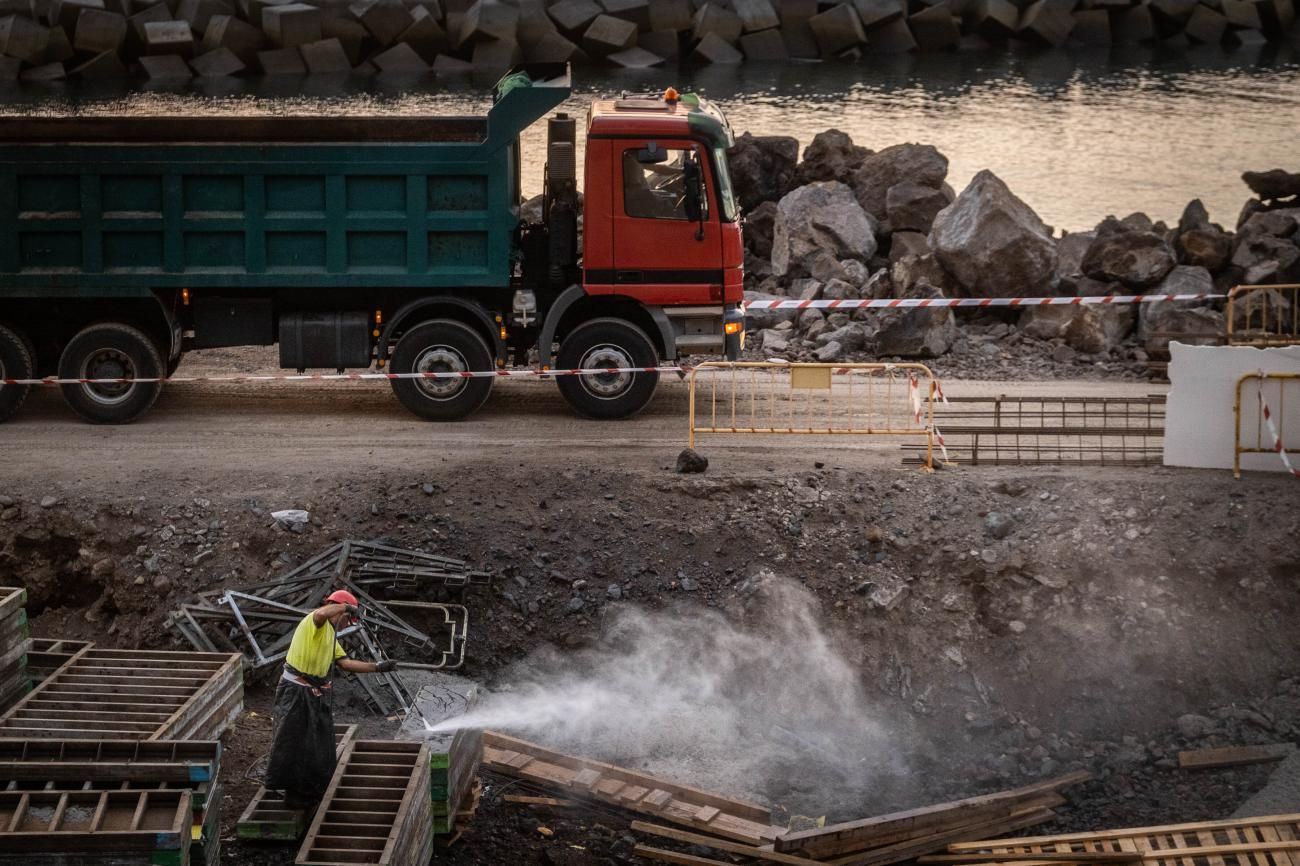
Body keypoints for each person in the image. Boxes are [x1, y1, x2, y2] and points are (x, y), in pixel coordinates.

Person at [264, 589, 398, 808]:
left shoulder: (330, 635)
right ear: (337, 609)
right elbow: (321, 614)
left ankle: (312, 790)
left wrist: (378, 667)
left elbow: (345, 663)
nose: (346, 625)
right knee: (294, 742)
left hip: (313, 693)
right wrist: (346, 607)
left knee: (319, 744)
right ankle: (294, 795)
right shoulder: (314, 623)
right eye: (346, 619)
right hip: (295, 691)